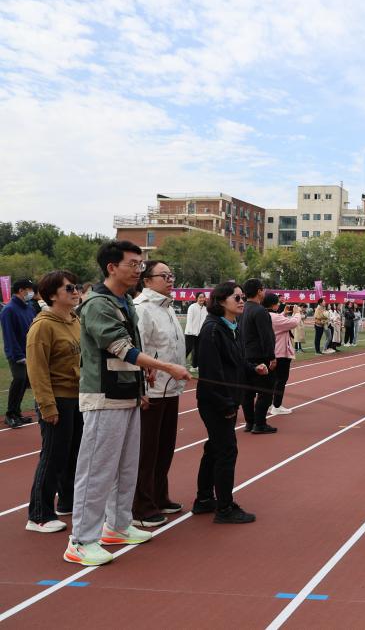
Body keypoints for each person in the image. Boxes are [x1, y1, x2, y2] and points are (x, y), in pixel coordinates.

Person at [64, 241, 190, 567]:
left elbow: (134, 348)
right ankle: (81, 541)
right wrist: (166, 366)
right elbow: (122, 348)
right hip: (104, 396)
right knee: (96, 470)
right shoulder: (97, 304)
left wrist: (145, 372)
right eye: (133, 264)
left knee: (126, 466)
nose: (138, 270)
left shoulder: (125, 302)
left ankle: (117, 526)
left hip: (128, 394)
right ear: (112, 267)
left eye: (140, 264)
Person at [193, 281, 267, 525]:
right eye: (237, 297)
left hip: (227, 399)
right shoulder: (213, 330)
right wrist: (225, 404)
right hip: (216, 401)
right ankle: (224, 508)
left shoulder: (231, 326)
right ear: (221, 301)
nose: (242, 300)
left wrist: (253, 368)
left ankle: (204, 499)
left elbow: (236, 361)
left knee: (214, 448)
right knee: (226, 451)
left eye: (242, 296)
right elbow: (211, 373)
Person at [132, 260, 188, 528]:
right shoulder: (141, 308)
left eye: (171, 275)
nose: (170, 280)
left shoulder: (167, 307)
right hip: (152, 391)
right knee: (147, 451)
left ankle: (158, 495)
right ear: (146, 280)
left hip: (170, 388)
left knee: (165, 448)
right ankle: (140, 506)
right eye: (163, 276)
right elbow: (137, 350)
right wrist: (141, 388)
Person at [25, 271, 82, 534]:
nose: (75, 291)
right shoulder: (42, 326)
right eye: (69, 288)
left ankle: (67, 501)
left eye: (76, 287)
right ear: (51, 295)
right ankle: (39, 514)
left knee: (73, 453)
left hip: (77, 397)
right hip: (57, 399)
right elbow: (37, 371)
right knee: (53, 455)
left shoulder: (74, 320)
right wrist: (47, 406)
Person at [237, 278, 277, 434]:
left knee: (247, 392)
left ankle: (250, 422)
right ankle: (259, 424)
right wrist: (271, 357)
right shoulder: (260, 311)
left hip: (244, 356)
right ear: (259, 291)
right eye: (263, 289)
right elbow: (266, 337)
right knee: (266, 392)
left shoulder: (241, 309)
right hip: (260, 357)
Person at [2, 278, 37, 427]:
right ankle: (10, 414)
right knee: (19, 379)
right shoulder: (9, 309)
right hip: (18, 355)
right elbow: (9, 335)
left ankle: (16, 413)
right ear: (21, 290)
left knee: (24, 383)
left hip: (30, 352)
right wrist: (18, 356)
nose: (32, 292)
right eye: (30, 289)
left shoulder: (29, 307)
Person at [266, 294, 302, 417]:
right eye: (277, 302)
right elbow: (293, 323)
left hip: (272, 351)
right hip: (280, 352)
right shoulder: (273, 317)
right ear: (272, 305)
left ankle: (269, 404)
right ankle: (276, 406)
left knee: (272, 380)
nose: (279, 304)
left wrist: (284, 313)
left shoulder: (266, 315)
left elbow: (279, 321)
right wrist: (297, 313)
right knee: (281, 380)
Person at [183, 292, 207, 369]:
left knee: (197, 350)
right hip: (190, 333)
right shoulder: (192, 307)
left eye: (203, 297)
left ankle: (194, 366)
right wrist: (190, 331)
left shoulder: (205, 309)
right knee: (188, 349)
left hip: (200, 333)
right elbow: (189, 320)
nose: (202, 299)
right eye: (200, 297)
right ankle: (180, 363)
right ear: (196, 298)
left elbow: (205, 321)